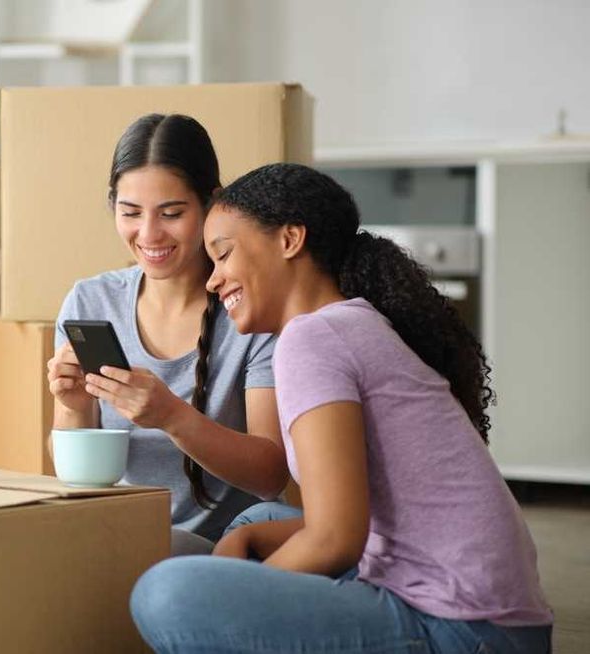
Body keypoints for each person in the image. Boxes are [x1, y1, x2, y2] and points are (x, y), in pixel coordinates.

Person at [129, 163, 553, 653]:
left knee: (165, 594)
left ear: (290, 240)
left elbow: (335, 540)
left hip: (462, 627)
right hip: (503, 624)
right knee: (255, 522)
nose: (213, 280)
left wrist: (240, 596)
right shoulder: (350, 323)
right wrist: (248, 553)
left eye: (223, 255)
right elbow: (354, 522)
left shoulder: (312, 338)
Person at [47, 114, 290, 555]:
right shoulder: (90, 302)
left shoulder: (252, 311)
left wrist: (172, 417)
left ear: (211, 204)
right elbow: (76, 482)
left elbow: (271, 475)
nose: (149, 234)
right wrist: (73, 407)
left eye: (172, 213)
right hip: (119, 535)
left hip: (227, 546)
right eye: (130, 213)